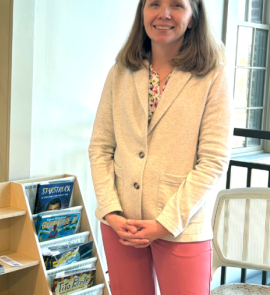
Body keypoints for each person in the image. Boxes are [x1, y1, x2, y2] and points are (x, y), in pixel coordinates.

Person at [88, 0, 232, 294]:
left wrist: (166, 223)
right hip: (121, 224)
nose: (164, 13)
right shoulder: (121, 72)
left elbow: (213, 161)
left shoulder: (212, 75)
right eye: (154, 3)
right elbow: (101, 147)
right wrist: (111, 211)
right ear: (143, 12)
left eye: (177, 5)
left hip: (181, 225)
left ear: (193, 19)